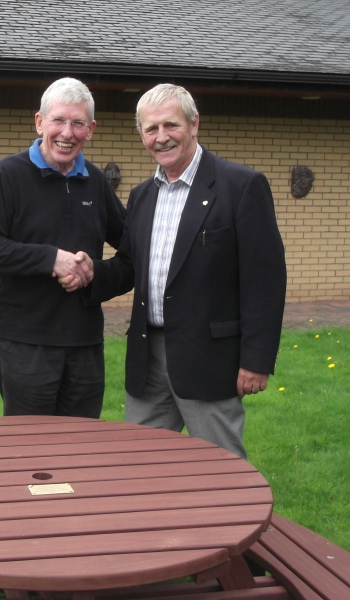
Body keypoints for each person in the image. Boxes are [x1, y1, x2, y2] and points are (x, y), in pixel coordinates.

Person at [68, 83, 286, 458]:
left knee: (219, 468)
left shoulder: (241, 186)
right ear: (141, 134)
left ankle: (234, 519)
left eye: (171, 125)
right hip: (147, 356)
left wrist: (256, 361)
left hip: (209, 359)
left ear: (194, 124)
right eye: (151, 129)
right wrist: (92, 274)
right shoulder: (142, 195)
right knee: (138, 466)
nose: (161, 137)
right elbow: (131, 265)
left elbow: (264, 279)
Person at [0, 77, 126, 419]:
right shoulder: (7, 176)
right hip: (25, 342)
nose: (67, 133)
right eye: (58, 120)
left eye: (78, 123)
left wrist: (95, 273)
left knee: (80, 446)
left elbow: (135, 253)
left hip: (84, 343)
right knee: (31, 450)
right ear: (40, 122)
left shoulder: (97, 184)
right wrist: (51, 259)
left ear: (91, 128)